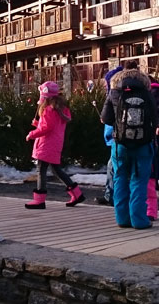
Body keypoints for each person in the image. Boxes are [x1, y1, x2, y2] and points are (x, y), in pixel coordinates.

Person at [102, 67, 157, 229]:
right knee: (139, 181)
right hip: (143, 144)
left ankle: (122, 219)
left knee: (119, 179)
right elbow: (155, 117)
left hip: (120, 145)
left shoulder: (114, 92)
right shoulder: (147, 94)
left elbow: (105, 118)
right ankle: (140, 220)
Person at [24, 81, 83, 209]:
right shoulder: (61, 109)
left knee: (41, 170)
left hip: (46, 145)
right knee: (56, 170)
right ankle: (76, 193)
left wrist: (32, 133)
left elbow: (47, 128)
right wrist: (37, 125)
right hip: (55, 144)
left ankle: (39, 199)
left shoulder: (48, 110)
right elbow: (54, 126)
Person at [97, 63, 125, 206]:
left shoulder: (113, 96)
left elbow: (107, 118)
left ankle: (112, 196)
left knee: (113, 168)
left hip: (117, 138)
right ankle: (114, 196)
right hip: (133, 138)